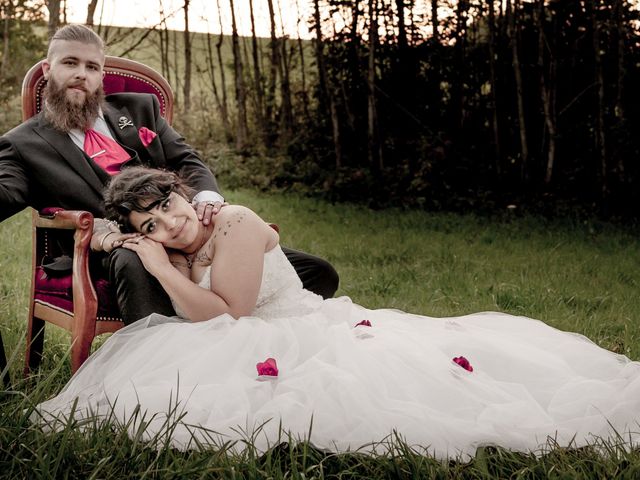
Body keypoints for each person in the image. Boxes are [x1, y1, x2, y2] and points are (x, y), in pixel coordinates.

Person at [33, 167, 640, 459]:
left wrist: (163, 269)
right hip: (246, 332)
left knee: (389, 394)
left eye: (166, 205)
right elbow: (205, 318)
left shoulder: (237, 221)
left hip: (299, 329)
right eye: (150, 226)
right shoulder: (187, 248)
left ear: (183, 194)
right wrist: (127, 244)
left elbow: (228, 314)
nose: (168, 222)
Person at [0, 25, 338, 324]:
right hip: (110, 249)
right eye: (70, 63)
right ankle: (153, 363)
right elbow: (6, 193)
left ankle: (251, 335)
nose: (81, 74)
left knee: (316, 272)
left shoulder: (140, 108)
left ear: (101, 76)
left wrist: (207, 199)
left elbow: (187, 161)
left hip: (181, 232)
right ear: (48, 69)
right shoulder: (23, 144)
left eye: (92, 66)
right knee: (132, 258)